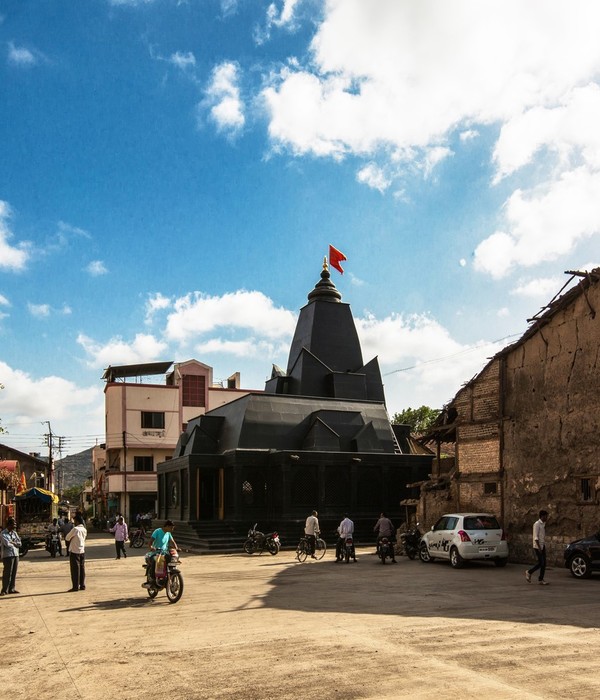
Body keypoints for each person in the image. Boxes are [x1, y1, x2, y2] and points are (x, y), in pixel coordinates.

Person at [143, 520, 177, 588]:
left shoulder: (168, 533)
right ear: (167, 526)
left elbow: (172, 542)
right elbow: (150, 542)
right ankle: (152, 579)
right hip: (156, 552)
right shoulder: (157, 531)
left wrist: (176, 548)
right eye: (171, 528)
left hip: (165, 552)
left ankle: (168, 576)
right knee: (155, 561)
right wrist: (151, 547)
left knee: (172, 561)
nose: (172, 529)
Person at [526, 510, 549, 585]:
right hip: (537, 546)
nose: (547, 518)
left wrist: (542, 546)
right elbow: (535, 537)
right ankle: (529, 572)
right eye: (546, 516)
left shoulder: (543, 524)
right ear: (542, 516)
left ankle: (540, 579)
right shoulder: (537, 524)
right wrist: (539, 548)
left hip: (543, 545)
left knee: (543, 563)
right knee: (541, 563)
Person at [65, 513, 87, 592]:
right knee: (82, 568)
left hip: (74, 551)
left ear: (77, 521)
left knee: (75, 569)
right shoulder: (84, 529)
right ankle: (82, 585)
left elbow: (67, 537)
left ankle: (75, 586)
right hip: (82, 550)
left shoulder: (75, 529)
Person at [1, 517, 22, 595]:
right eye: (14, 524)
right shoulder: (3, 533)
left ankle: (11, 589)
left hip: (15, 554)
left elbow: (20, 543)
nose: (15, 525)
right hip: (8, 555)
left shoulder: (14, 533)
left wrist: (13, 542)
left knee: (14, 572)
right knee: (7, 573)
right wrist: (14, 543)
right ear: (9, 525)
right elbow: (7, 544)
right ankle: (4, 590)